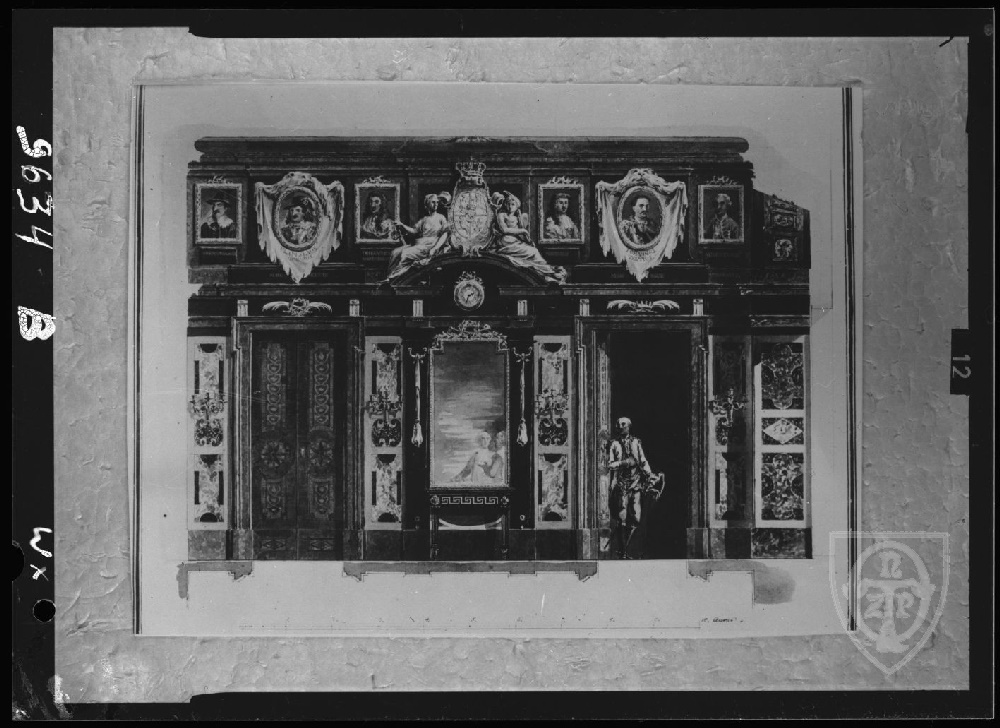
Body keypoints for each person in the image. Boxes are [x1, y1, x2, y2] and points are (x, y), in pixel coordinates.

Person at [489, 192, 566, 283]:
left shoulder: (517, 217)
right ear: (505, 205)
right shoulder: (501, 215)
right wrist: (523, 231)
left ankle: (547, 272)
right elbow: (504, 230)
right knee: (533, 252)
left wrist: (527, 239)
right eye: (508, 204)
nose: (510, 207)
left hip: (516, 241)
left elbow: (521, 234)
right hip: (506, 242)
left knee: (534, 251)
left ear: (517, 206)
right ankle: (549, 272)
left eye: (513, 204)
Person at [608, 416, 654, 559]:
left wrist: (650, 474)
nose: (621, 427)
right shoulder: (614, 444)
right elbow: (610, 464)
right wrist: (624, 463)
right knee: (622, 517)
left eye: (623, 424)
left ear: (629, 426)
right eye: (619, 425)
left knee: (636, 517)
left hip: (636, 483)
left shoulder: (636, 442)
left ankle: (630, 549)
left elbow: (642, 460)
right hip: (621, 484)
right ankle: (622, 551)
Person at [385, 193, 451, 282]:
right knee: (395, 253)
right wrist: (403, 226)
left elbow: (445, 233)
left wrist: (435, 248)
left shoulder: (440, 217)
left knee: (406, 253)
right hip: (422, 245)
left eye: (437, 202)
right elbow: (414, 231)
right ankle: (392, 276)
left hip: (431, 246)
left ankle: (397, 278)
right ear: (427, 204)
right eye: (433, 202)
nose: (436, 204)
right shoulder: (424, 219)